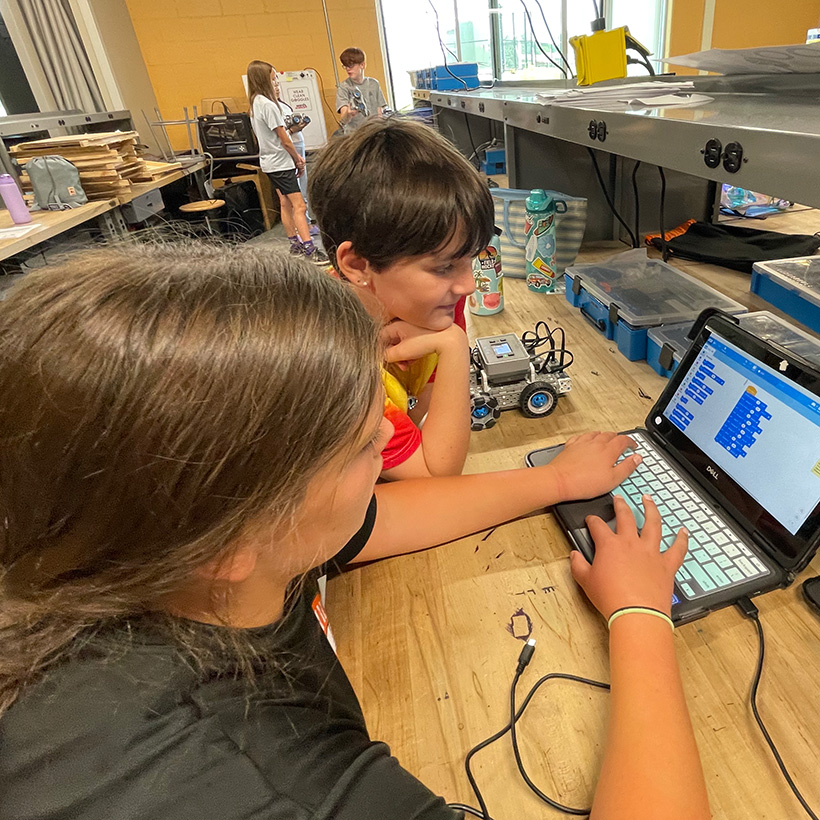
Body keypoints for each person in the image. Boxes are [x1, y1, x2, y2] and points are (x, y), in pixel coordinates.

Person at [0, 243, 710, 820]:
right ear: (228, 542)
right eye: (354, 439)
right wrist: (643, 612)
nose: (383, 430)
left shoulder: (151, 548)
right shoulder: (247, 779)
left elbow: (377, 519)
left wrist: (555, 482)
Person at [310, 117, 491, 480]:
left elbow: (420, 413)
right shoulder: (332, 364)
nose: (468, 285)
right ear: (358, 265)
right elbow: (436, 473)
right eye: (444, 267)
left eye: (470, 260)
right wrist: (455, 345)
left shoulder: (425, 304)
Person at [247, 59, 326, 262]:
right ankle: (309, 249)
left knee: (285, 203)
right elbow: (284, 139)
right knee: (299, 206)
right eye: (273, 80)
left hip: (271, 163)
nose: (276, 84)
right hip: (281, 162)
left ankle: (295, 243)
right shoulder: (268, 105)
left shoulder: (255, 103)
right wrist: (298, 159)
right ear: (263, 80)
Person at [273, 72, 318, 235]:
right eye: (274, 84)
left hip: (298, 146)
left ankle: (305, 223)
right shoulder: (270, 108)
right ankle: (300, 230)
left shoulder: (284, 105)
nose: (277, 88)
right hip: (287, 153)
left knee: (302, 190)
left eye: (278, 84)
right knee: (292, 198)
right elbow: (281, 135)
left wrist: (297, 127)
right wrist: (291, 130)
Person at [335, 47, 386, 134]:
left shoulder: (374, 84)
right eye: (345, 66)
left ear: (362, 65)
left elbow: (379, 112)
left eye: (351, 65)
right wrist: (349, 114)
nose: (347, 69)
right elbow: (343, 120)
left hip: (374, 133)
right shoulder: (344, 87)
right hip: (354, 136)